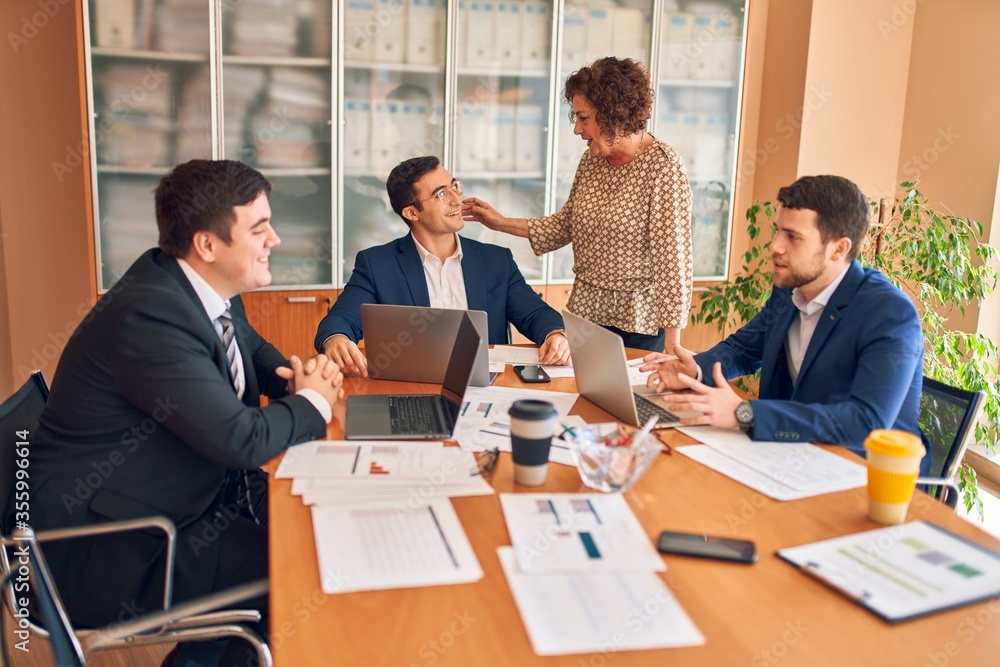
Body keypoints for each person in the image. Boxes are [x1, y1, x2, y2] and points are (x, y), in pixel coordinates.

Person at [27, 160, 344, 665]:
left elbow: (249, 350)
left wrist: (296, 375)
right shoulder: (150, 316)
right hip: (112, 545)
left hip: (177, 498)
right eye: (260, 229)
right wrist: (313, 401)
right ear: (208, 245)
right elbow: (242, 442)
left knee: (314, 522)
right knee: (299, 570)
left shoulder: (198, 285)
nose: (276, 239)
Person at [641, 175, 925, 466]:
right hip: (788, 455)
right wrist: (695, 369)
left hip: (860, 472)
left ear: (839, 248)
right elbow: (745, 349)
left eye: (793, 237)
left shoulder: (889, 314)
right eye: (778, 231)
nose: (775, 246)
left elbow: (866, 422)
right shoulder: (790, 287)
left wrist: (746, 413)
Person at [462, 56, 693, 353]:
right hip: (585, 314)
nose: (577, 129)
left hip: (638, 324)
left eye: (583, 118)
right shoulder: (592, 159)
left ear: (614, 114)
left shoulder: (663, 166)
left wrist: (673, 345)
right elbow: (566, 224)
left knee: (626, 400)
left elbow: (673, 260)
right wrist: (499, 222)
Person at [316, 155, 570, 376]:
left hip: (485, 386)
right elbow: (340, 319)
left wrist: (554, 334)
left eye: (454, 187)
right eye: (441, 194)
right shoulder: (377, 264)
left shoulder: (495, 260)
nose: (456, 199)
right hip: (412, 386)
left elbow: (536, 314)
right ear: (412, 213)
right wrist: (336, 339)